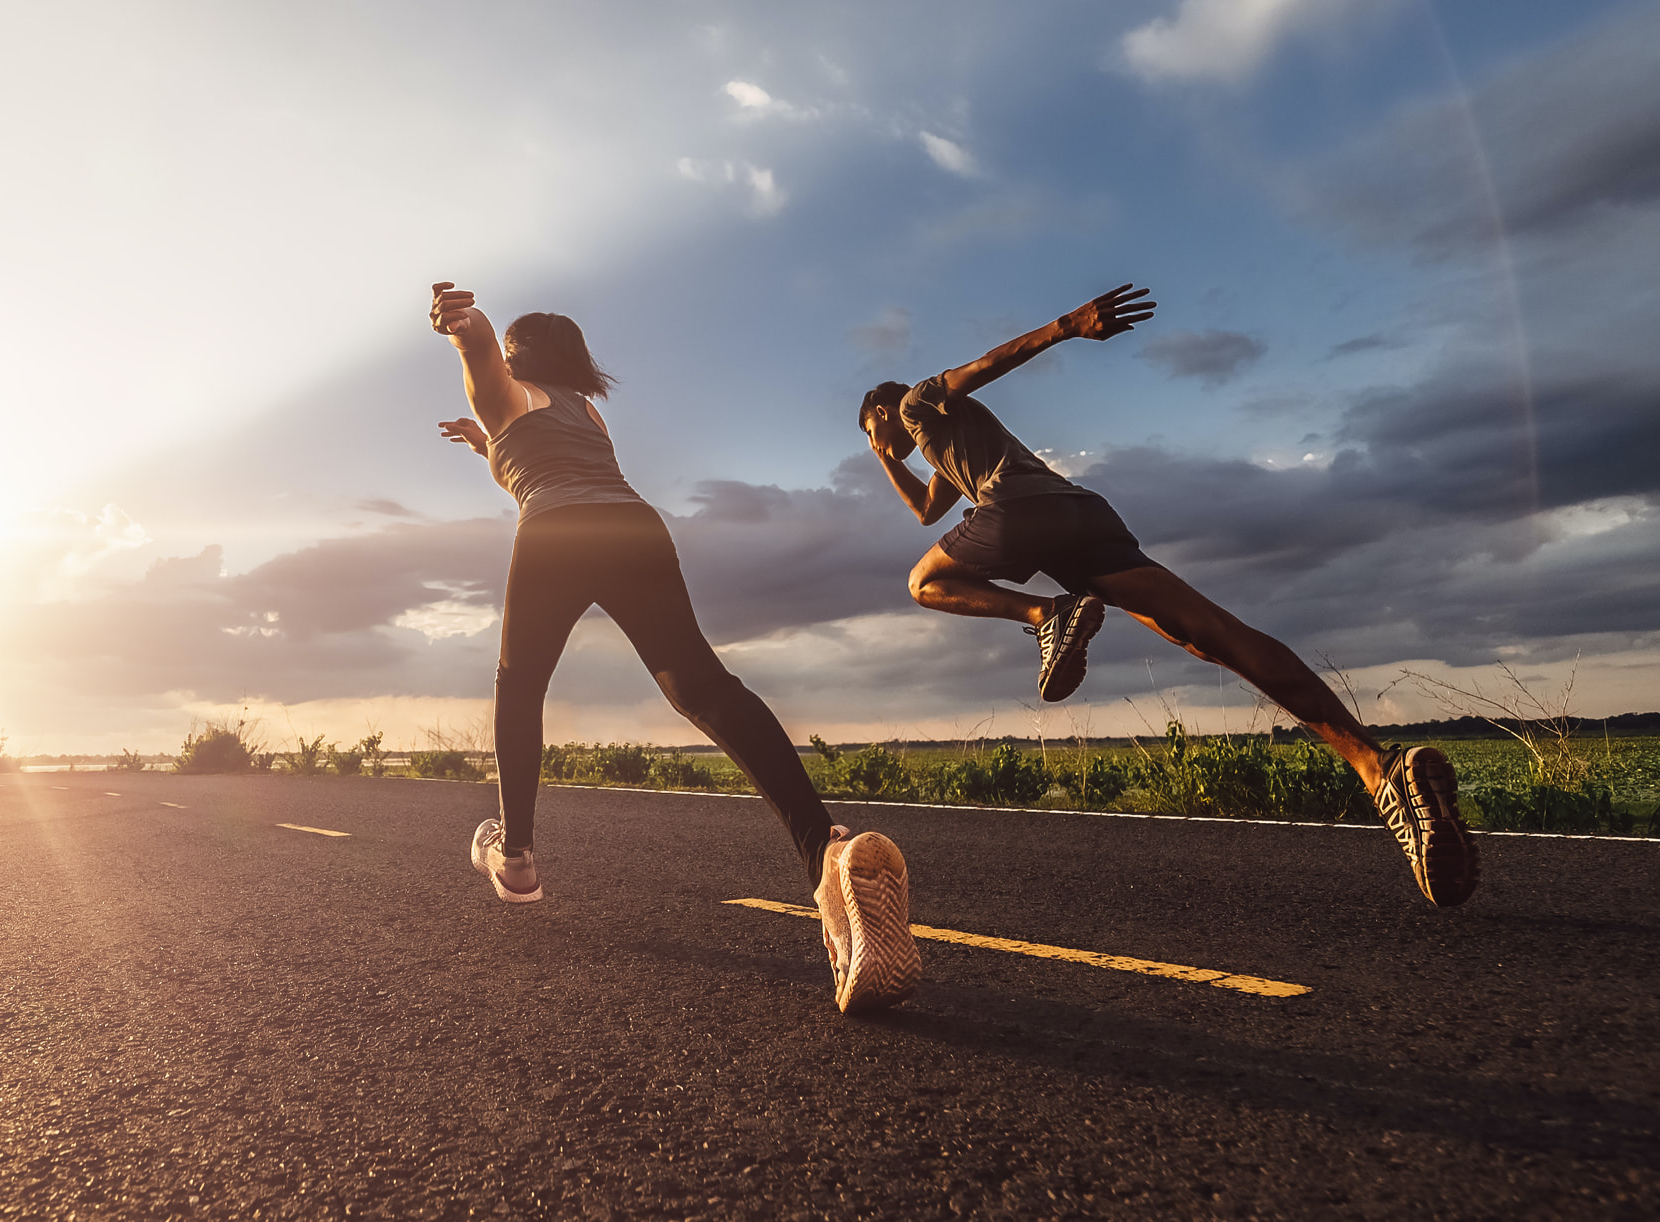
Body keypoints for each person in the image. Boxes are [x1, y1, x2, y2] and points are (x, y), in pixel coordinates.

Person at [857, 285, 1479, 908]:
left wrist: (1065, 327)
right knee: (1212, 635)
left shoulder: (914, 402)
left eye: (870, 429)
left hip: (1021, 515)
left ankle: (1048, 614)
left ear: (883, 411)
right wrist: (886, 460)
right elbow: (924, 511)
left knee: (924, 583)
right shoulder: (947, 447)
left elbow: (979, 369)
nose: (876, 438)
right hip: (1083, 518)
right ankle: (1380, 769)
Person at [428, 281, 921, 1011]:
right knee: (704, 688)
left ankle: (518, 856)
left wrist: (465, 328)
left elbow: (491, 382)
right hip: (634, 527)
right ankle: (826, 855)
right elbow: (538, 466)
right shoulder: (587, 416)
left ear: (521, 354)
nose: (500, 360)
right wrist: (486, 445)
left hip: (556, 534)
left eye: (507, 352)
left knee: (519, 685)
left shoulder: (506, 389)